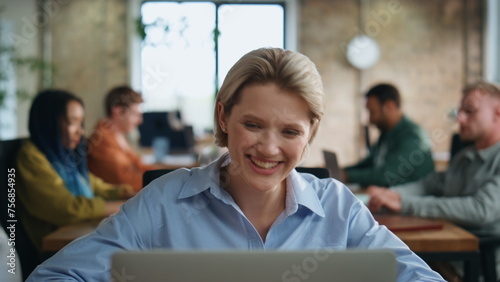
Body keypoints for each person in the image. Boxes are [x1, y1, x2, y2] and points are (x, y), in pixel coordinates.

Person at [27, 48, 444, 281]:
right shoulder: (164, 203)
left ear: (311, 132)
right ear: (224, 117)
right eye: (253, 124)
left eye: (290, 132)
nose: (269, 147)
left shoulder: (338, 207)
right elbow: (54, 278)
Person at [367, 81, 500, 275]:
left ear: (498, 113)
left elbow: (481, 209)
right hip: (451, 255)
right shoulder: (465, 156)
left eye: (470, 111)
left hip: (479, 267)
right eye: (459, 111)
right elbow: (431, 183)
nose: (460, 119)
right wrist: (392, 194)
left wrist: (404, 203)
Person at [16, 90, 134, 254]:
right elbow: (68, 209)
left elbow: (96, 186)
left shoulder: (64, 156)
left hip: (77, 240)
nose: (81, 131)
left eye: (81, 123)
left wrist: (124, 194)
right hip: (56, 252)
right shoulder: (31, 157)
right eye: (73, 122)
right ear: (48, 122)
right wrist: (121, 206)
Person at [343, 83, 435, 187]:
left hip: (409, 200)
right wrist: (340, 171)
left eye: (372, 112)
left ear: (390, 107)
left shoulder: (413, 137)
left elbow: (386, 176)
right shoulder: (386, 134)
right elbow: (369, 164)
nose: (370, 120)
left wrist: (346, 176)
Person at [87, 86, 161, 191]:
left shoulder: (116, 135)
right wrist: (164, 180)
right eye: (135, 114)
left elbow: (139, 166)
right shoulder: (100, 140)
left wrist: (166, 175)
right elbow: (125, 181)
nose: (140, 121)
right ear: (118, 110)